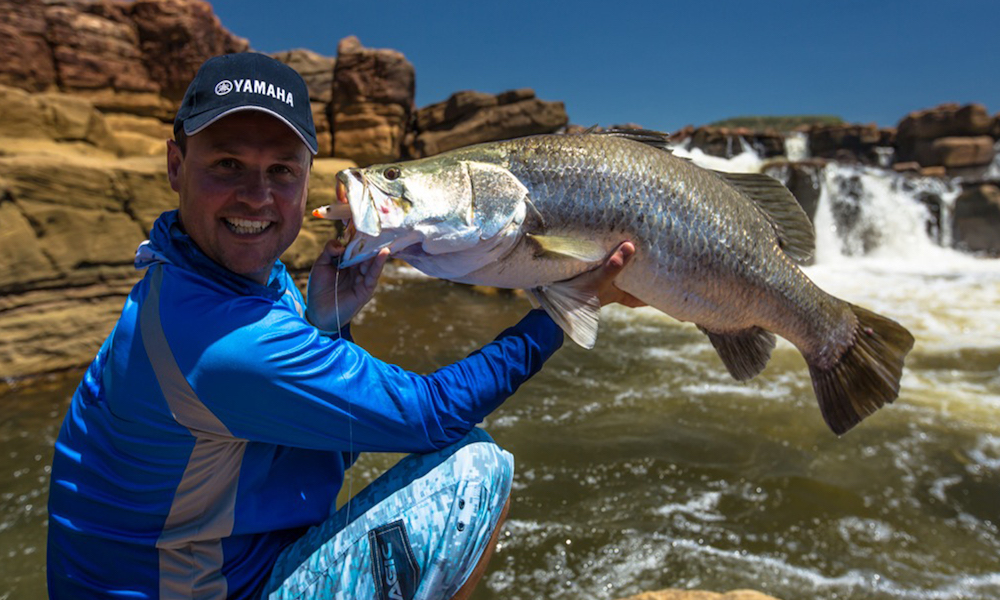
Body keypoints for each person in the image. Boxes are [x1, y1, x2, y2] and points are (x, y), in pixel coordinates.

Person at [46, 52, 641, 600]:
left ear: (307, 178)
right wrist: (565, 309)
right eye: (228, 164)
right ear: (176, 166)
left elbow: (306, 441)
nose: (257, 196)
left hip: (221, 565)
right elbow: (429, 413)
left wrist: (327, 326)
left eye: (281, 170)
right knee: (474, 473)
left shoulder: (212, 276)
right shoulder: (222, 339)